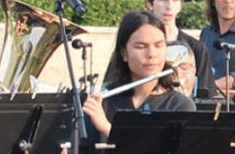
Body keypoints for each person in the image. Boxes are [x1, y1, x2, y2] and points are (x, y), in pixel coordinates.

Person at [83, 11, 197, 146]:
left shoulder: (180, 106)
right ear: (124, 53)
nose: (151, 54)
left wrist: (107, 129)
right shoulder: (104, 101)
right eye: (141, 46)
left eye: (159, 45)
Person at [143, 0, 218, 98]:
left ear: (181, 5)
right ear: (150, 4)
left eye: (175, 0)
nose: (169, 7)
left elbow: (206, 95)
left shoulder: (196, 48)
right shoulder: (138, 45)